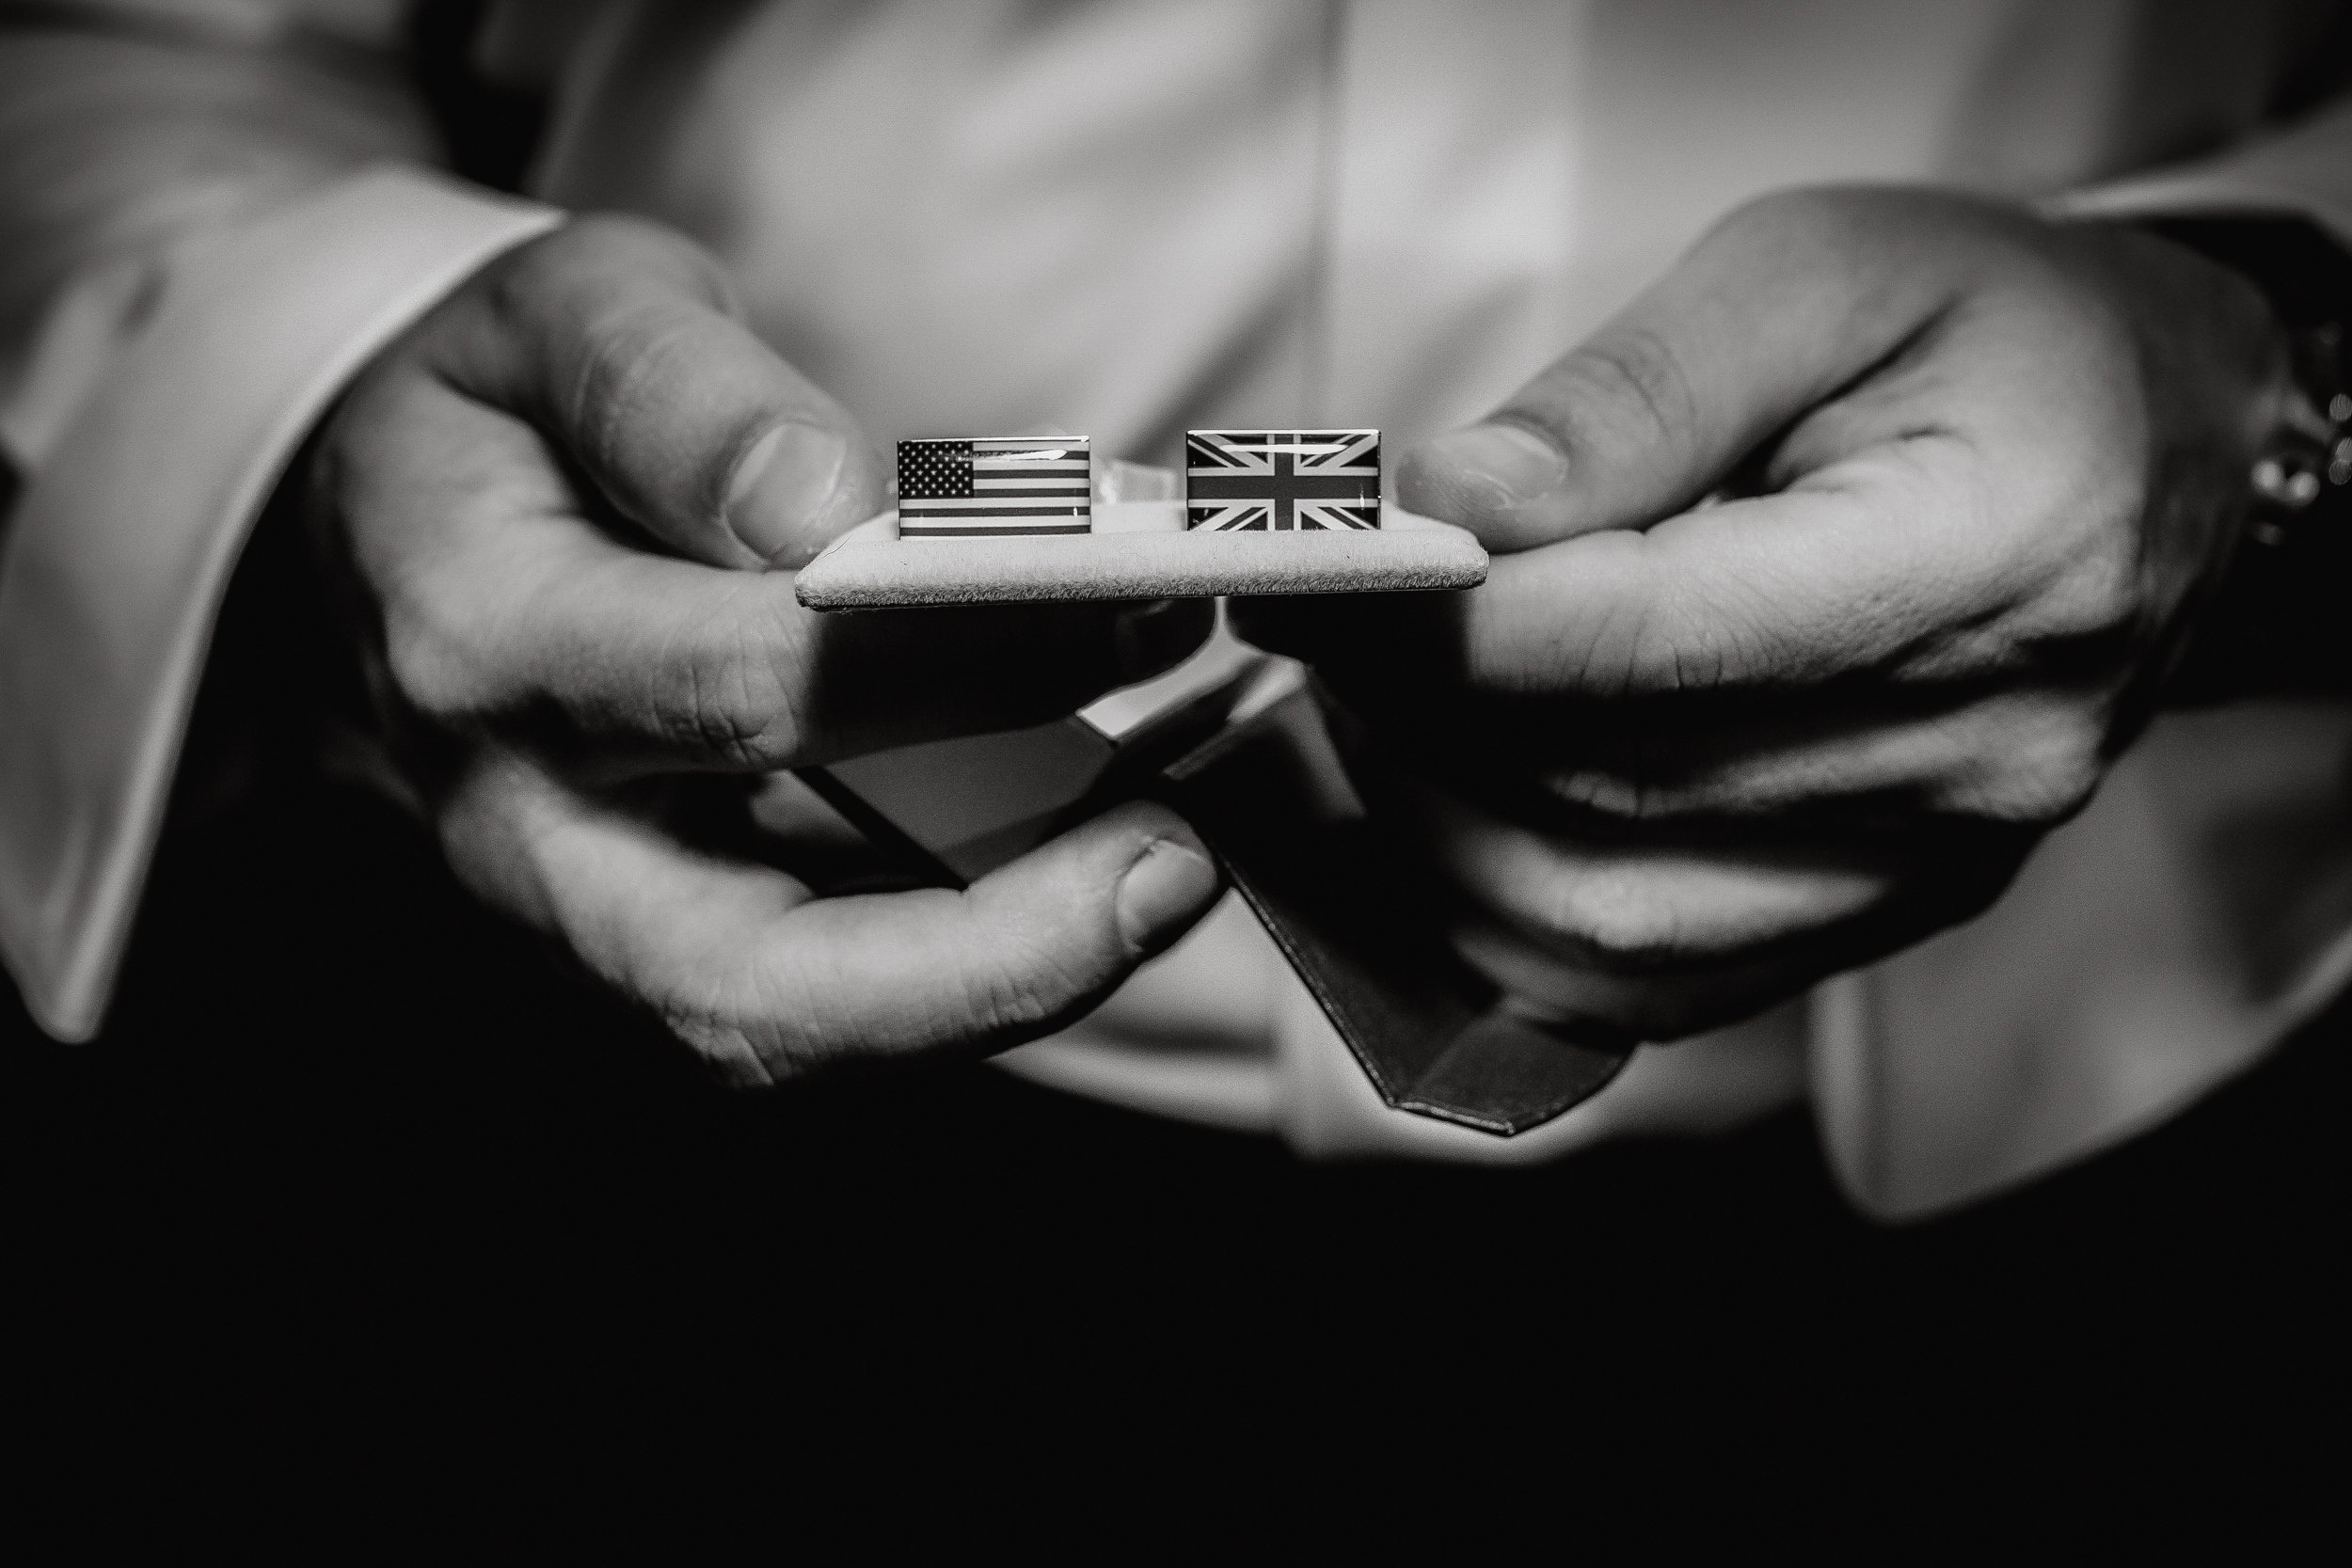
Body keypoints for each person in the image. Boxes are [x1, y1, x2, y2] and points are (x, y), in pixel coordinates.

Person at [2, 0, 2346, 1262]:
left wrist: (2271, 382)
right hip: (562, 1073)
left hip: (2090, 1111)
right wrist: (308, 386)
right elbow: (145, 54)